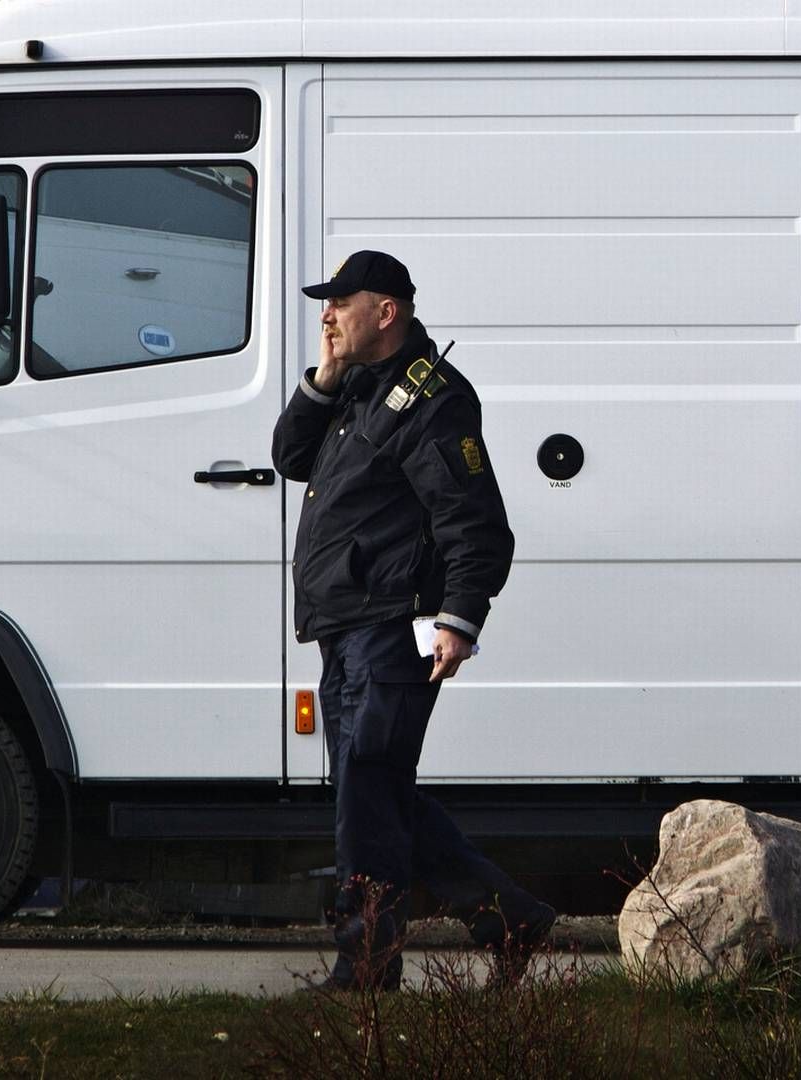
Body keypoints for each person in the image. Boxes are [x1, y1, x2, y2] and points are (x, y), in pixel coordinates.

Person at [272, 249, 556, 990]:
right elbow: (289, 455)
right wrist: (323, 379)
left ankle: (367, 963)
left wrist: (459, 617)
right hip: (346, 626)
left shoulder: (432, 400)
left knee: (367, 790)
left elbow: (476, 522)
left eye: (340, 302)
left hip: (390, 628)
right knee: (378, 791)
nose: (327, 315)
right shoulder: (360, 390)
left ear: (386, 312)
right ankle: (511, 918)